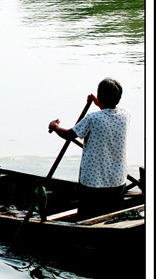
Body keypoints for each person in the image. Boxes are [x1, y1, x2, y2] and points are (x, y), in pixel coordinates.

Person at [48, 78, 130, 220]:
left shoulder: (92, 118)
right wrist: (100, 103)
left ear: (100, 97)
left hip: (93, 183)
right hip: (117, 181)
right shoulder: (125, 116)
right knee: (113, 218)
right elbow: (108, 114)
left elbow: (68, 135)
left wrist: (54, 126)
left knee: (88, 218)